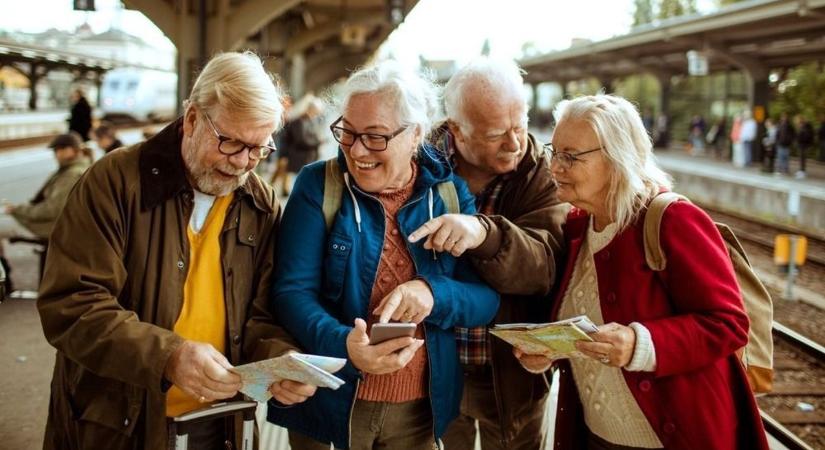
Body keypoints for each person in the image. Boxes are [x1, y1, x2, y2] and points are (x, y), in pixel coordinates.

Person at [37, 51, 317, 450]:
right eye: (230, 143)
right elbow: (72, 304)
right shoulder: (113, 182)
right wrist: (168, 356)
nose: (241, 163)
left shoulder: (260, 201)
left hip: (220, 420)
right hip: (117, 422)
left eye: (258, 149)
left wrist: (281, 360)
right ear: (191, 120)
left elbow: (262, 313)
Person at [267, 60, 500, 450]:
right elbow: (291, 293)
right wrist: (346, 345)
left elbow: (485, 300)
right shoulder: (318, 185)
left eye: (375, 136)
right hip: (330, 403)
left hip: (417, 414)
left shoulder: (449, 196)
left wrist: (432, 293)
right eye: (348, 131)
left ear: (415, 135)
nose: (357, 150)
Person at [514, 94, 768, 450]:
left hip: (675, 437)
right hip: (596, 434)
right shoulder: (577, 226)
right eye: (553, 152)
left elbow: (729, 323)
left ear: (618, 158)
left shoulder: (673, 220)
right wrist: (549, 351)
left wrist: (640, 344)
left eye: (570, 156)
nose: (554, 168)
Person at [415, 57, 566, 449]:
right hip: (436, 366)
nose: (515, 144)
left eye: (521, 126)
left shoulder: (541, 174)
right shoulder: (415, 161)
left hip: (512, 373)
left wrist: (484, 233)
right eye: (497, 133)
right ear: (457, 131)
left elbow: (544, 266)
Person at [4, 132, 90, 240]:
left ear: (69, 150)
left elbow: (51, 209)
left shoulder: (71, 175)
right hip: (71, 223)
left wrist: (17, 210)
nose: (55, 155)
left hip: (58, 227)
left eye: (57, 150)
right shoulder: (83, 166)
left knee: (2, 227)